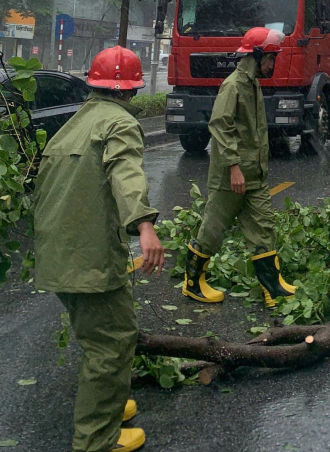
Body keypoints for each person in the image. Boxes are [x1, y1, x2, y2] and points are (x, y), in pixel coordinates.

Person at [34, 46, 164, 452]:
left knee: (97, 336)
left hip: (57, 255)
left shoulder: (73, 124)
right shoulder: (119, 123)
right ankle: (96, 440)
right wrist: (144, 225)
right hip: (88, 257)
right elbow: (125, 170)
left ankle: (109, 407)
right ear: (132, 91)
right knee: (111, 343)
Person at [183, 27, 296, 308]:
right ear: (255, 56)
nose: (272, 63)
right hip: (230, 176)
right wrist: (233, 166)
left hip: (254, 176)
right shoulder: (233, 85)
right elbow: (220, 126)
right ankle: (193, 283)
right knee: (213, 229)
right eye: (269, 58)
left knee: (264, 227)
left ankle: (272, 287)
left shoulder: (253, 84)